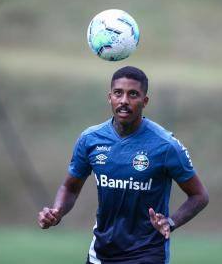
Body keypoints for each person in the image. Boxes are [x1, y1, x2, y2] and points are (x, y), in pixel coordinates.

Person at [38, 66, 209, 264]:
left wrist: (170, 223)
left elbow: (199, 196)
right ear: (109, 97)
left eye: (133, 94)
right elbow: (70, 187)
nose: (124, 101)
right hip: (100, 254)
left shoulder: (165, 145)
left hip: (147, 254)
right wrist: (57, 211)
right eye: (118, 93)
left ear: (145, 101)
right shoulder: (90, 139)